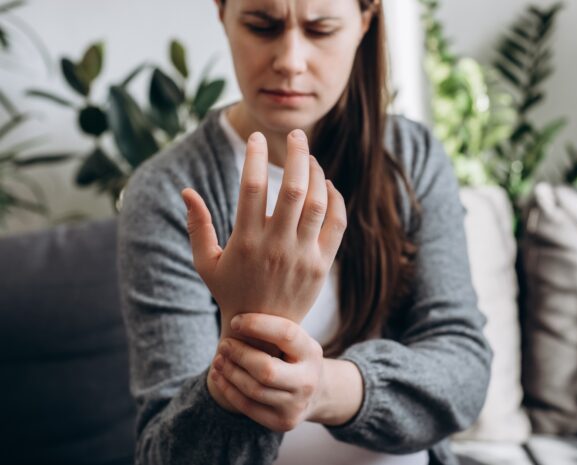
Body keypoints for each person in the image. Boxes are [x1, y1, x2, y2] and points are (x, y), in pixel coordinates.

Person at [116, 0, 492, 464]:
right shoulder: (168, 193)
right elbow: (165, 455)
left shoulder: (411, 158)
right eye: (261, 25)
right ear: (222, 13)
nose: (290, 60)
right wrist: (255, 329)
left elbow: (463, 367)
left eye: (321, 29)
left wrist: (322, 391)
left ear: (364, 23)